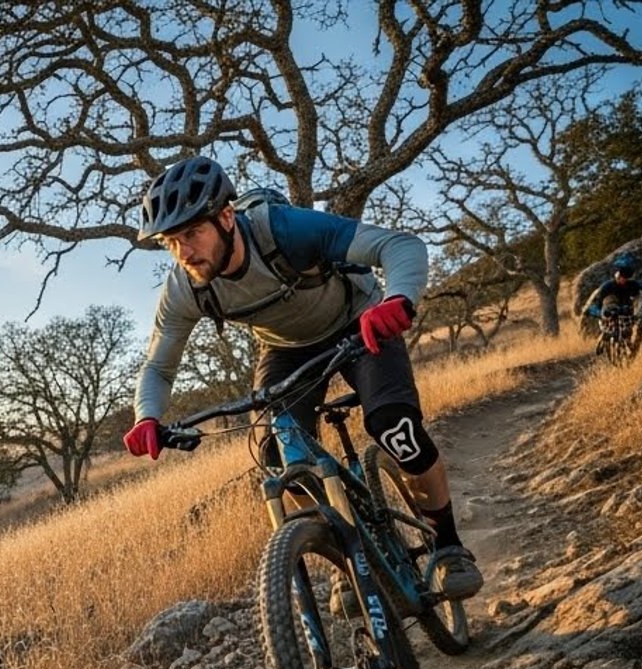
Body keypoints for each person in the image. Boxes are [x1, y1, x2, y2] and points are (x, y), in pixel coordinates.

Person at [121, 156, 483, 601]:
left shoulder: (285, 230)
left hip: (359, 321)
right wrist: (147, 417)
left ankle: (448, 546)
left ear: (227, 217)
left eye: (192, 233)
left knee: (395, 426)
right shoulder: (185, 287)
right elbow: (159, 367)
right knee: (280, 459)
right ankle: (348, 558)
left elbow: (400, 246)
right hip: (286, 349)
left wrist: (398, 299)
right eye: (170, 242)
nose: (183, 252)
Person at [577, 253, 642, 355]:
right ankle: (605, 337)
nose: (623, 279)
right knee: (610, 313)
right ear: (617, 274)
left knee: (639, 327)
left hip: (628, 314)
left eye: (626, 276)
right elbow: (597, 304)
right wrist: (595, 312)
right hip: (610, 313)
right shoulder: (608, 287)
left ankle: (634, 348)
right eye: (622, 275)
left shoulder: (635, 286)